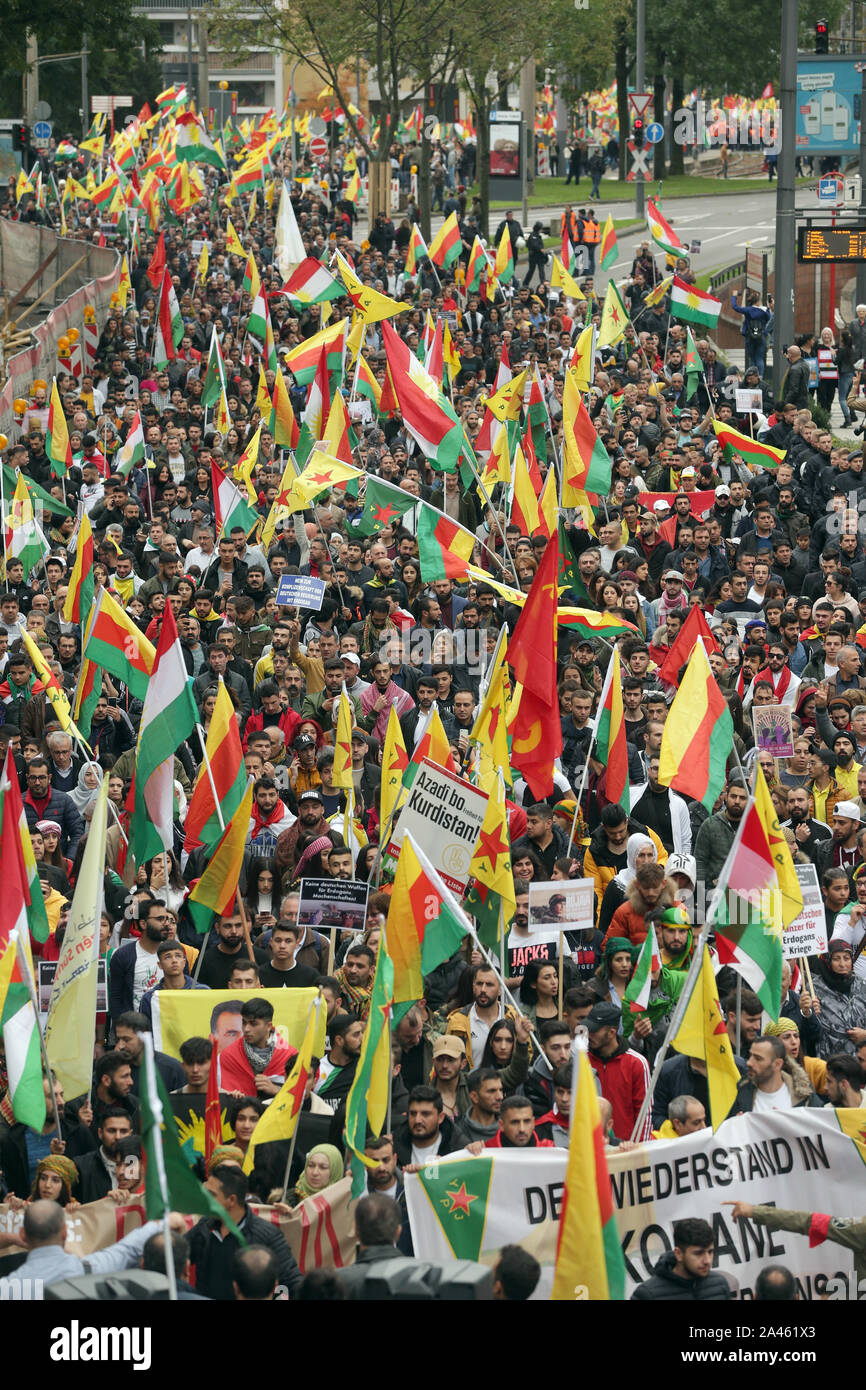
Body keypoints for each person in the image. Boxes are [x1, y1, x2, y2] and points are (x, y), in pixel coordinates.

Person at [190, 1163, 302, 1300]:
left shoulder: (267, 1235)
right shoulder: (205, 1227)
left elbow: (292, 1282)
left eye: (211, 1194)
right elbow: (174, 1258)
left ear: (231, 1200)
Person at [586, 1000, 653, 1140]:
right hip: (590, 1149)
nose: (588, 1034)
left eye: (594, 1031)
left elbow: (645, 1115)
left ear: (611, 1032)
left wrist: (640, 1150)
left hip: (626, 1151)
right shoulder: (582, 1061)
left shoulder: (637, 1063)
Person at [630, 1217, 732, 1301]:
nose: (707, 1261)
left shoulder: (719, 1285)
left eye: (710, 1252)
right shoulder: (647, 1295)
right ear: (678, 1254)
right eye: (698, 1253)